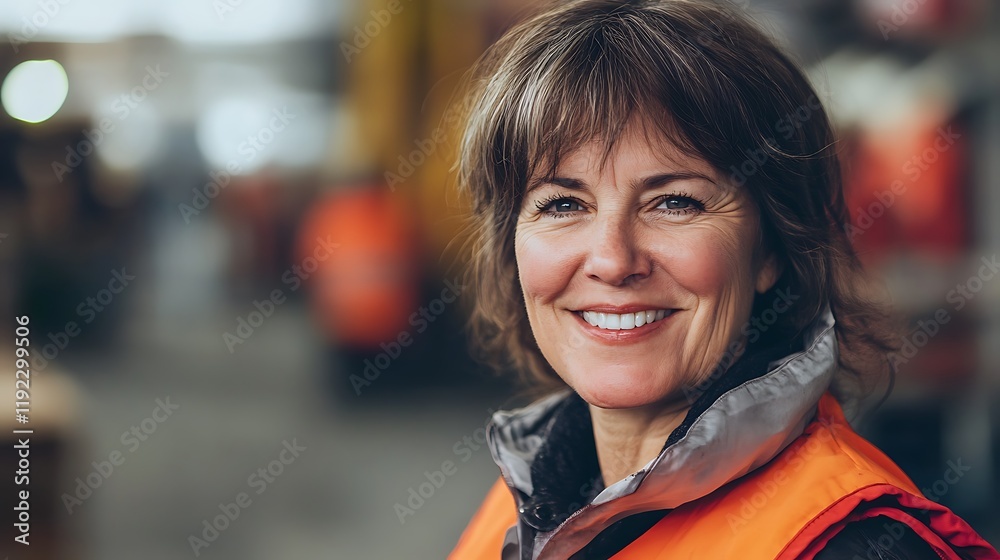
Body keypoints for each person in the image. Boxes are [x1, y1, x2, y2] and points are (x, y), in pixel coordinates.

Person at [447, 1, 1000, 559]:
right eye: (563, 203)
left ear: (771, 251)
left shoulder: (850, 545)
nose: (613, 260)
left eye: (675, 203)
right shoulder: (525, 499)